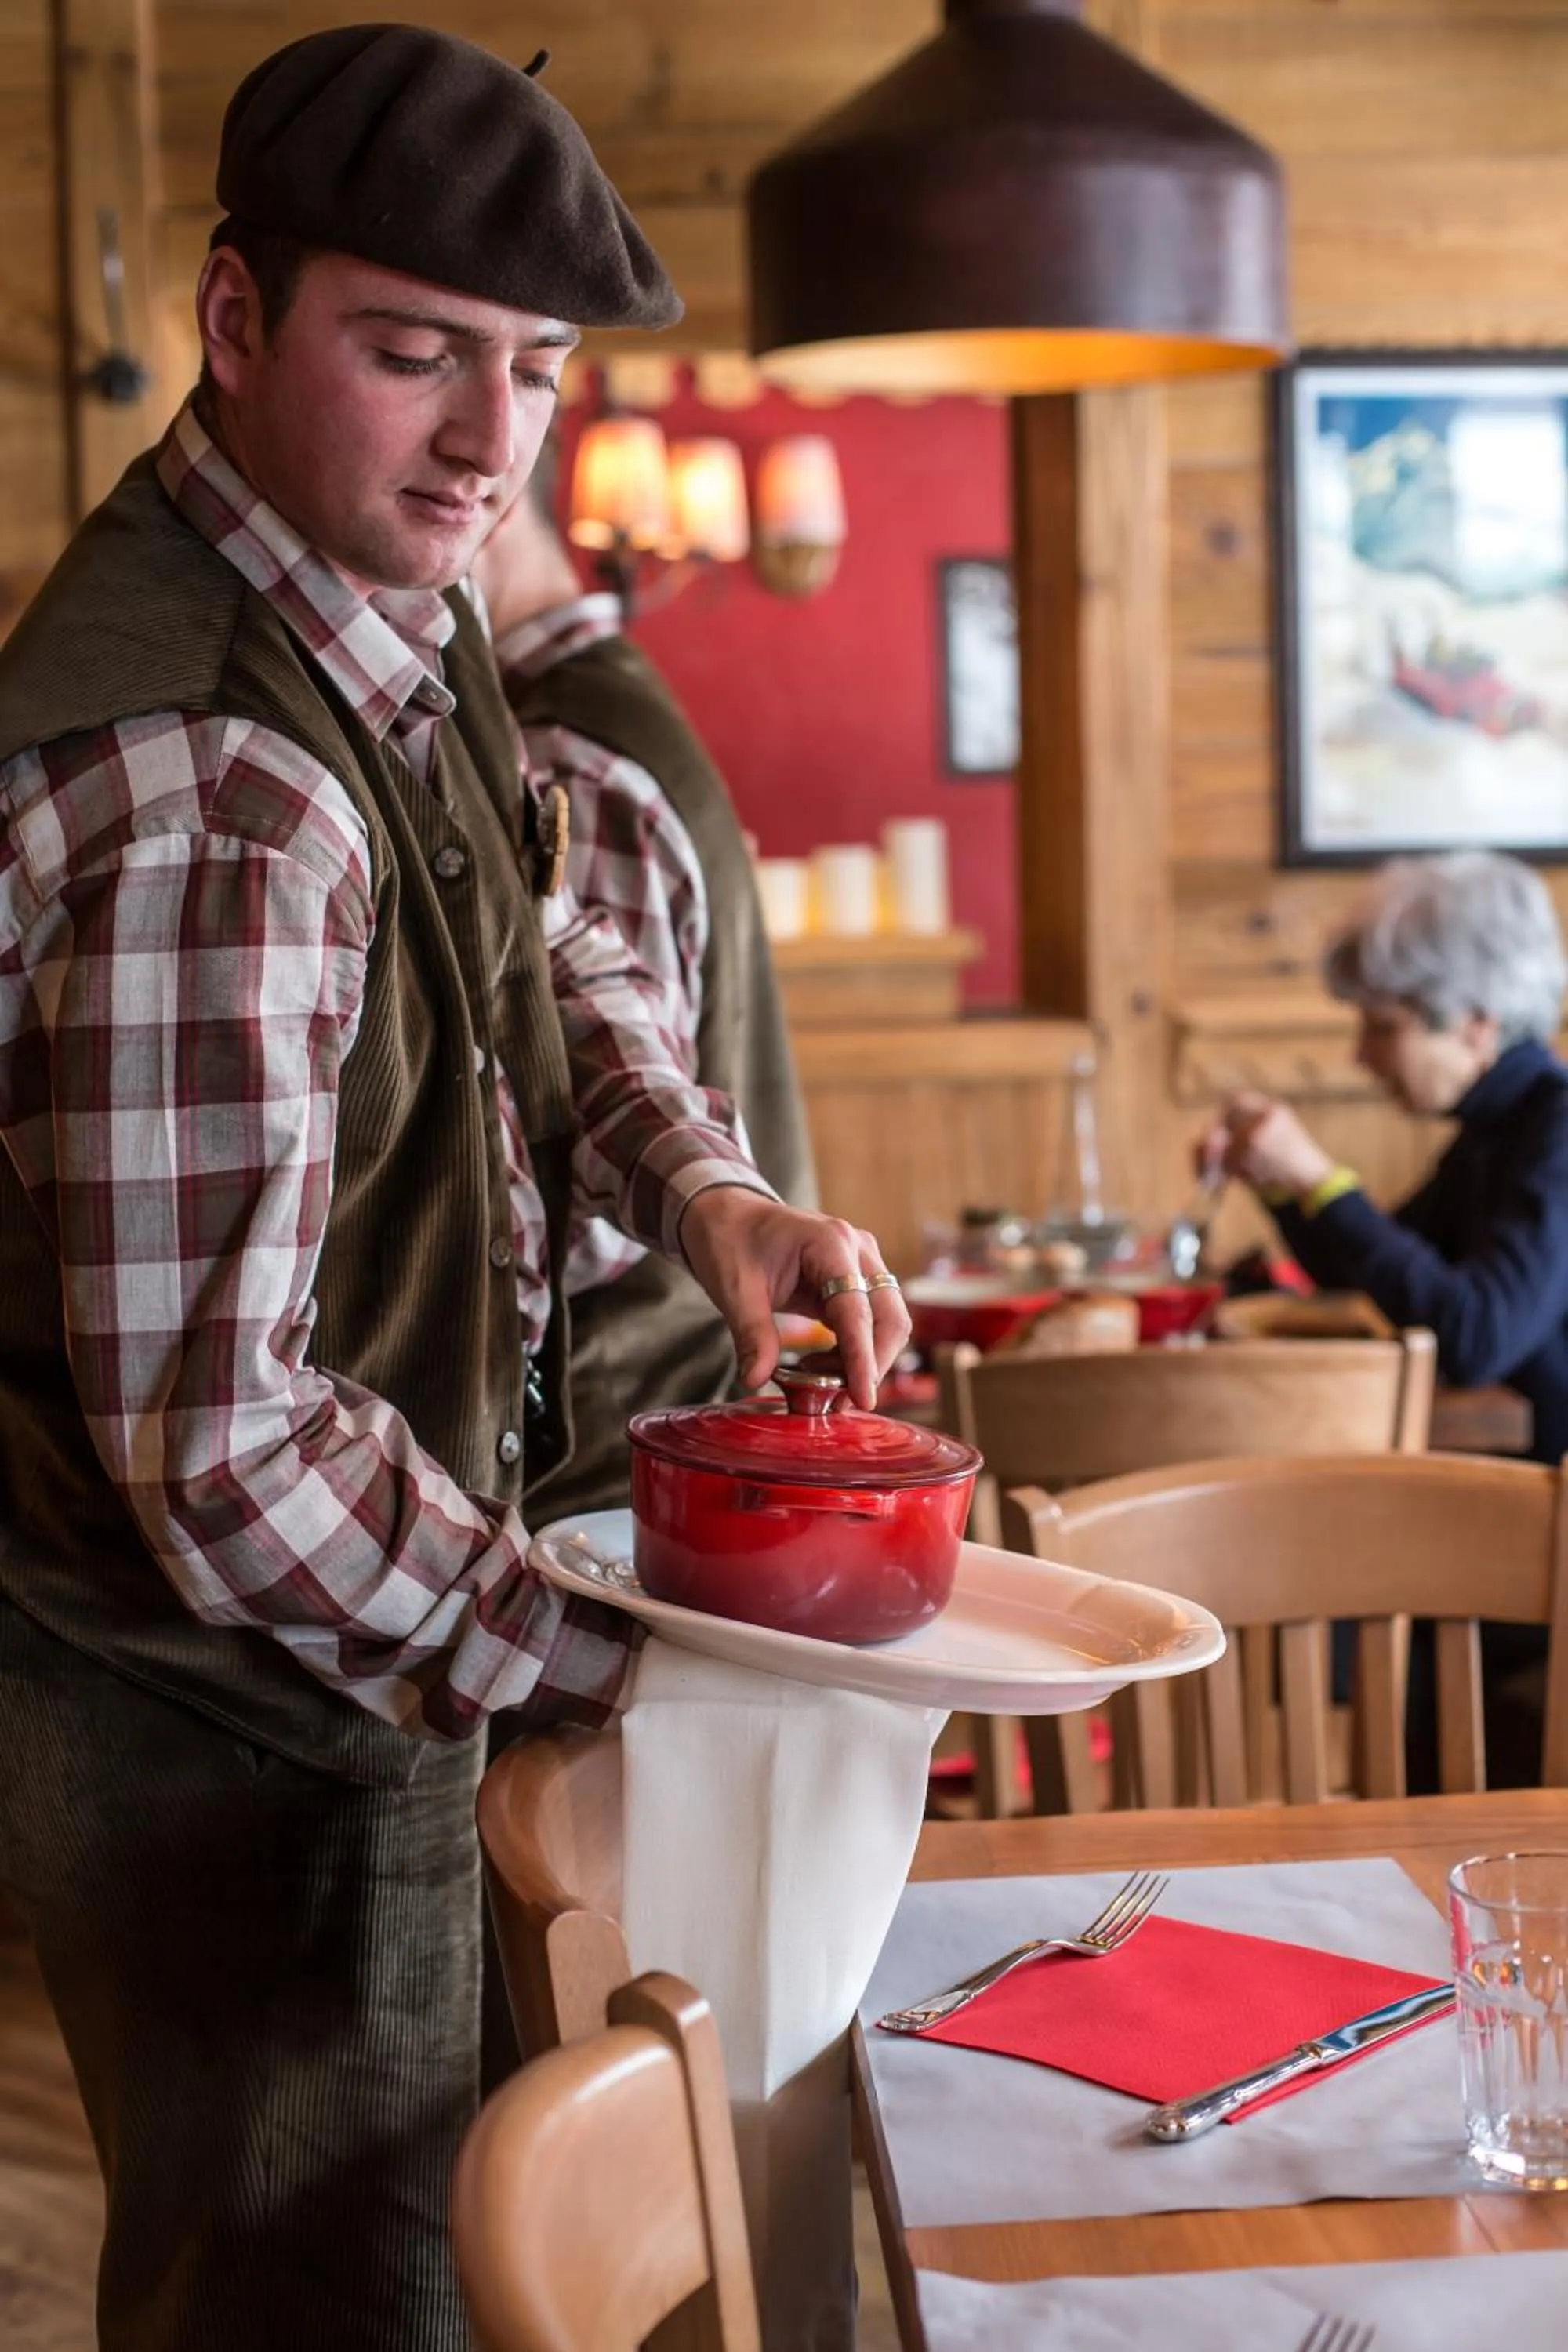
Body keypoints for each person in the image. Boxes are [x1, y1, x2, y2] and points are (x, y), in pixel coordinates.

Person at [0, 27, 908, 2352]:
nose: (494, 442)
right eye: (414, 354)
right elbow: (216, 1453)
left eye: (537, 371)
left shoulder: (371, 610)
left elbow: (544, 934)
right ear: (232, 321)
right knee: (312, 2301)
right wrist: (632, 1657)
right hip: (231, 1720)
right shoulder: (216, 781)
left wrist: (705, 1187)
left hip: (359, 1661)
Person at [473, 437, 818, 1523]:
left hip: (618, 1450)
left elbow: (586, 1178)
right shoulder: (595, 713)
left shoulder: (565, 758)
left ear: (481, 506)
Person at [1199, 848, 1568, 1781]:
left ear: (1476, 1024)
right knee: (1330, 1598)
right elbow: (1392, 1278)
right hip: (1531, 1503)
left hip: (1551, 1528)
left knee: (1333, 1611)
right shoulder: (1501, 1132)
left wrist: (1318, 1178)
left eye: (1381, 1025)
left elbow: (1477, 1330)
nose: (1361, 1054)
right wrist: (1283, 1188)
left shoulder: (1555, 1132)